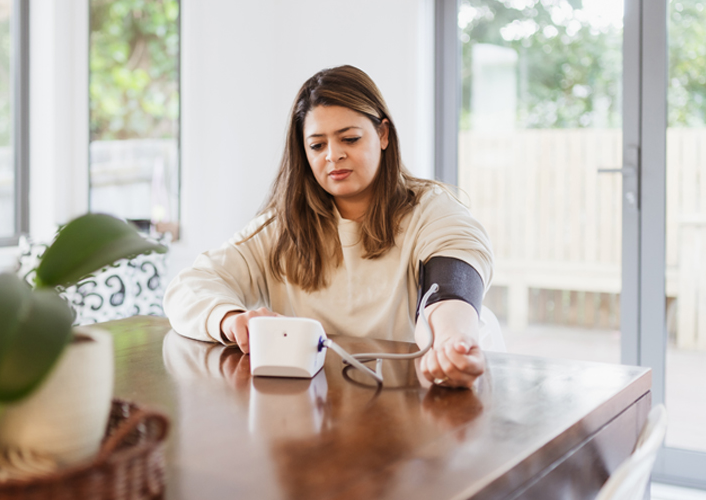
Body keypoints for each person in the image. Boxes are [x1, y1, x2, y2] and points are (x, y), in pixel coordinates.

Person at [163, 65, 494, 389]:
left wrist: (452, 344)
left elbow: (450, 291)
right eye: (317, 145)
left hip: (403, 404)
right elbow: (190, 286)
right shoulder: (282, 227)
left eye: (349, 138)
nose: (333, 156)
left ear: (383, 134)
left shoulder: (432, 211)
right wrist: (230, 319)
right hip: (303, 410)